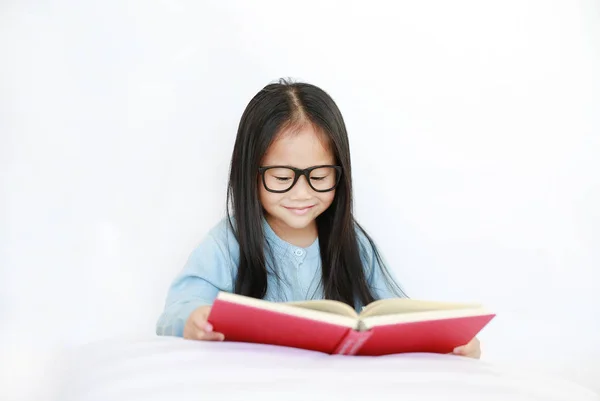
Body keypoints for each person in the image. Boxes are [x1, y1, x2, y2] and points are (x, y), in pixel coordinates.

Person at [156, 79, 481, 358]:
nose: (301, 194)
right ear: (248, 174)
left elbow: (394, 314)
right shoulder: (227, 243)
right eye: (282, 177)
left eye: (320, 176)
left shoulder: (353, 243)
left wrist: (449, 341)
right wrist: (193, 319)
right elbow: (177, 309)